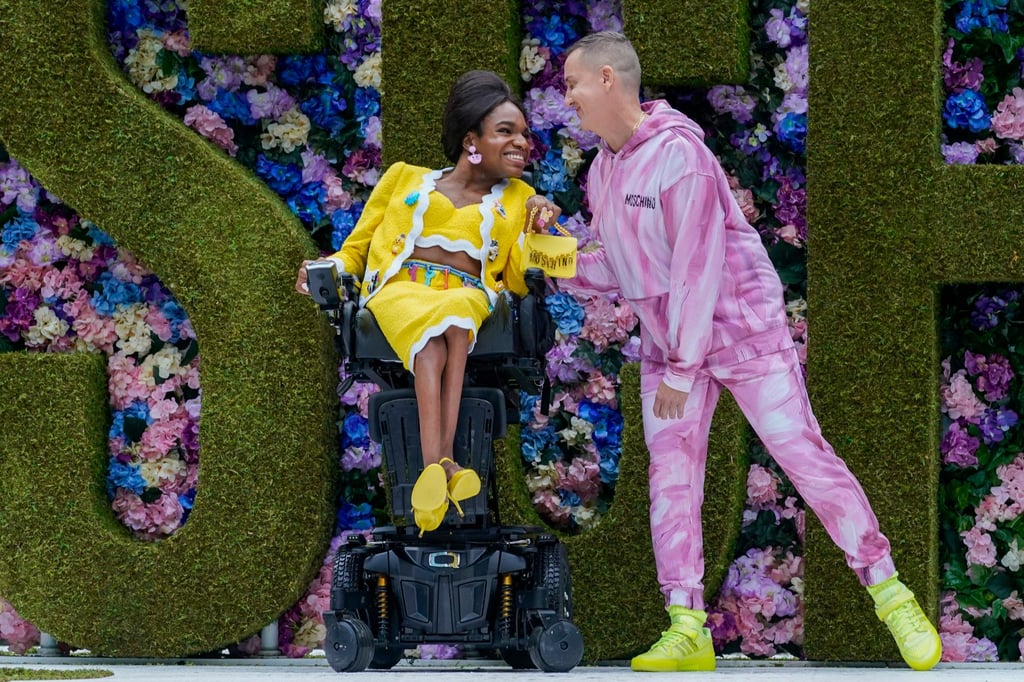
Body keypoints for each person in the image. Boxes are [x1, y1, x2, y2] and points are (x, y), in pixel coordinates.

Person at [559, 32, 941, 672]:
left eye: (570, 83)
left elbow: (696, 268)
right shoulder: (602, 171)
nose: (565, 97)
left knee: (801, 452)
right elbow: (620, 269)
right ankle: (687, 627)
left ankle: (892, 593)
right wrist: (553, 259)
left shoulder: (680, 156)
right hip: (670, 347)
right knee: (671, 479)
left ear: (606, 79)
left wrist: (681, 366)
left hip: (742, 333)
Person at [295, 70, 561, 536]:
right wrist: (330, 270)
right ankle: (444, 465)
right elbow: (357, 248)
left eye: (524, 133)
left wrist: (538, 231)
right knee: (437, 338)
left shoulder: (520, 199)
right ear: (470, 139)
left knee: (456, 318)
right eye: (506, 131)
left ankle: (435, 471)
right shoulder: (404, 179)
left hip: (467, 294)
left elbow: (518, 280)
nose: (522, 142)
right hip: (401, 289)